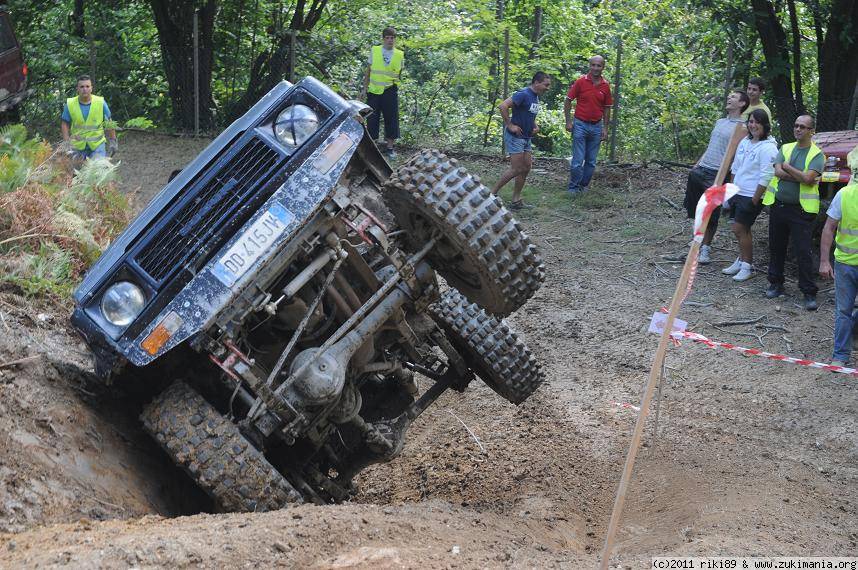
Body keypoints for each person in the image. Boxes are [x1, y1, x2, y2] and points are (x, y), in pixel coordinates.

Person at [763, 114, 824, 310]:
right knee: (776, 247)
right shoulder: (786, 147)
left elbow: (808, 179)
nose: (798, 129)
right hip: (779, 205)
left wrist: (788, 167)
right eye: (796, 125)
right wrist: (799, 175)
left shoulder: (817, 154)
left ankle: (808, 292)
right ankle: (776, 283)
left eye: (803, 127)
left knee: (803, 251)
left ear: (811, 131)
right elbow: (778, 173)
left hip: (801, 211)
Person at [683, 90, 750, 264]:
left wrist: (727, 175)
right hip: (701, 169)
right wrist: (698, 163)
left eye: (733, 97)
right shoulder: (720, 122)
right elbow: (711, 146)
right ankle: (696, 243)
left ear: (742, 104)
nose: (729, 98)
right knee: (697, 209)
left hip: (717, 173)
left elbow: (737, 155)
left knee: (710, 213)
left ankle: (705, 249)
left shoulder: (742, 127)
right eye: (729, 96)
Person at [721, 109, 779, 281]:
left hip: (752, 194)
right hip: (737, 191)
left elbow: (767, 175)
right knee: (740, 230)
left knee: (739, 228)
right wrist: (730, 189)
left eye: (757, 122)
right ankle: (741, 261)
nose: (753, 125)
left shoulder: (769, 148)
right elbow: (736, 167)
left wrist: (755, 198)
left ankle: (747, 266)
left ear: (765, 126)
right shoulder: (745, 142)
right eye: (751, 121)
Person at [490, 72, 551, 210]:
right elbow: (503, 106)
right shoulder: (523, 93)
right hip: (515, 137)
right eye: (546, 85)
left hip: (526, 137)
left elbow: (528, 113)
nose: (548, 88)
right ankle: (491, 194)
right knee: (516, 168)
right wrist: (510, 125)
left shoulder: (535, 96)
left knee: (526, 168)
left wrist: (534, 126)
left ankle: (516, 200)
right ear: (536, 82)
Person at [819, 177, 858, 365]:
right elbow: (829, 227)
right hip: (845, 264)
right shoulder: (844, 195)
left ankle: (853, 334)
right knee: (844, 310)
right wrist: (824, 261)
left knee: (846, 311)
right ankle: (840, 355)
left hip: (845, 264)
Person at [564, 55, 613, 194]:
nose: (596, 68)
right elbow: (568, 100)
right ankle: (573, 187)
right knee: (578, 160)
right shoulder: (580, 82)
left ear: (603, 67)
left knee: (591, 161)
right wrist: (568, 121)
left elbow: (607, 107)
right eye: (593, 65)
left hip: (597, 126)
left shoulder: (605, 85)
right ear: (589, 66)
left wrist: (605, 127)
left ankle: (583, 186)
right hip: (580, 124)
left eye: (599, 66)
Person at [362, 27, 403, 157]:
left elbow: (399, 73)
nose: (390, 40)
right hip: (374, 91)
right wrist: (364, 89)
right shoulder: (375, 51)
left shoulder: (399, 54)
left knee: (391, 118)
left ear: (395, 39)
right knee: (372, 118)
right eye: (387, 38)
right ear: (383, 39)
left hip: (390, 90)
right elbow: (368, 71)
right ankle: (373, 146)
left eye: (392, 38)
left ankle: (390, 148)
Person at [61, 75, 117, 160]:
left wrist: (113, 141)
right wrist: (66, 143)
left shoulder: (100, 102)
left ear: (91, 88)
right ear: (77, 89)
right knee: (78, 172)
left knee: (97, 170)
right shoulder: (70, 104)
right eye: (82, 87)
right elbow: (65, 123)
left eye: (87, 86)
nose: (85, 89)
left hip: (97, 145)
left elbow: (109, 122)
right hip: (77, 145)